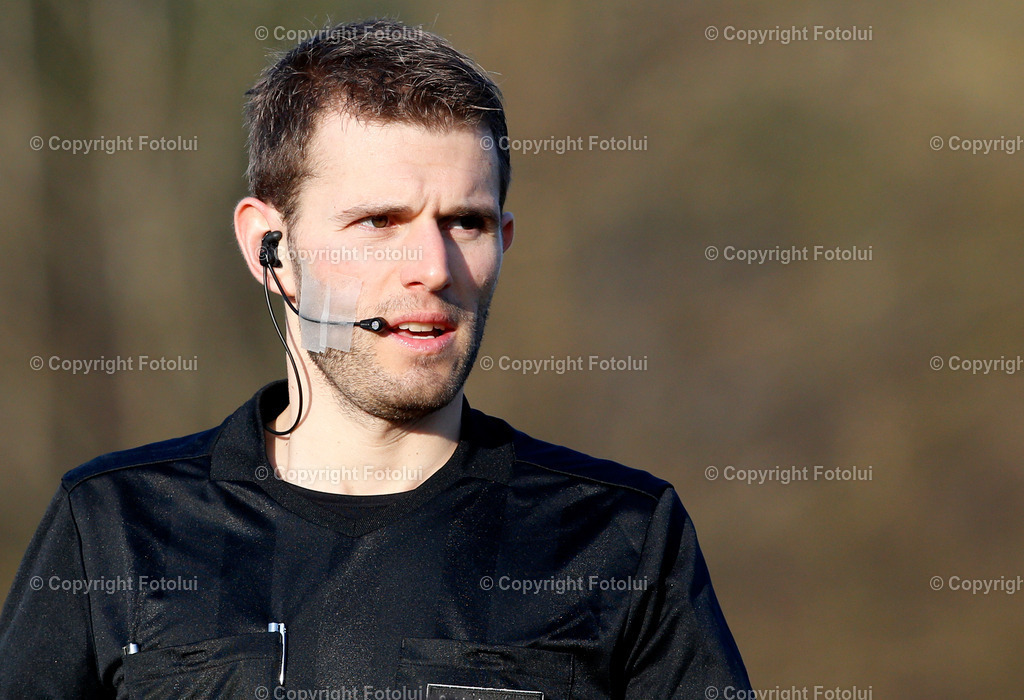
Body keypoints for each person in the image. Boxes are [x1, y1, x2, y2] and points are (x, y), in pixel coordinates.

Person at [0, 18, 751, 699]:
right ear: (272, 249)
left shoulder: (615, 536)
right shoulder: (117, 526)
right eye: (379, 221)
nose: (432, 265)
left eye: (466, 222)